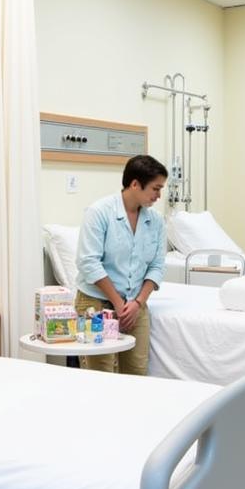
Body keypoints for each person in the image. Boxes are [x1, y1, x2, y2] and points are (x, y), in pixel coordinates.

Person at [75, 154, 167, 376]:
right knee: (100, 374)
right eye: (155, 188)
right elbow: (89, 263)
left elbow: (156, 266)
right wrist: (117, 303)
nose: (159, 195)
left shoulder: (155, 220)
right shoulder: (99, 212)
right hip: (96, 303)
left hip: (135, 305)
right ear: (135, 184)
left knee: (136, 372)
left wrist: (137, 303)